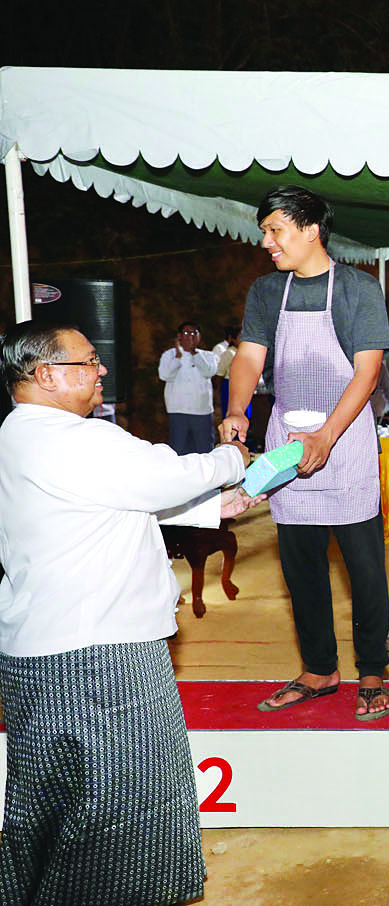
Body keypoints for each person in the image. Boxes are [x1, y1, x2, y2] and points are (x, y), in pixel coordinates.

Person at [0, 321, 257, 906]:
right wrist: (231, 458)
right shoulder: (78, 438)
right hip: (102, 657)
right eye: (89, 362)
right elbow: (166, 476)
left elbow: (108, 503)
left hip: (38, 653)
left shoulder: (18, 434)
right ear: (46, 375)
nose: (101, 370)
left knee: (48, 808)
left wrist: (214, 508)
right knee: (125, 811)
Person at [221, 184, 389, 720]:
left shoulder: (358, 289)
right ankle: (319, 669)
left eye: (275, 230)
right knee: (301, 568)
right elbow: (249, 358)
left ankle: (372, 671)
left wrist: (326, 436)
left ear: (311, 229)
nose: (266, 243)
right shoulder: (266, 291)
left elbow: (367, 374)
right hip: (288, 442)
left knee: (365, 569)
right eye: (264, 232)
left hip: (345, 441)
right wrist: (237, 410)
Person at [158, 320, 218, 455]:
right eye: (186, 333)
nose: (190, 336)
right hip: (178, 410)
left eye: (194, 333)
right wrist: (178, 358)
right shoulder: (169, 355)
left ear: (199, 337)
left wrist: (194, 354)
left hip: (202, 412)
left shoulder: (208, 355)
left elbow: (209, 372)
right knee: (179, 451)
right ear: (179, 336)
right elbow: (164, 375)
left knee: (204, 451)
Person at [213, 324, 241, 415]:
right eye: (241, 337)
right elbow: (219, 375)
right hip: (230, 387)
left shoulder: (244, 353)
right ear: (233, 339)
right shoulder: (229, 353)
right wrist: (217, 395)